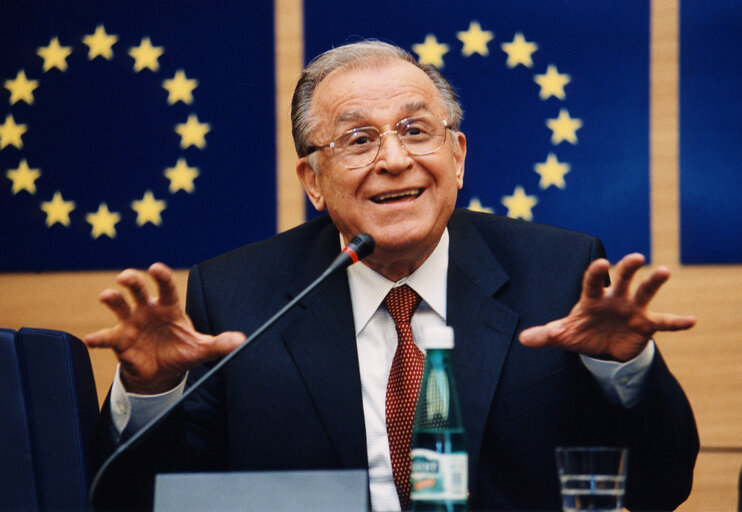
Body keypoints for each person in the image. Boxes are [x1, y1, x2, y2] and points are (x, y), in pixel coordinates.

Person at [85, 40, 699, 511]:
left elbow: (660, 486)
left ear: (457, 157)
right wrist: (149, 391)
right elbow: (149, 501)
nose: (395, 160)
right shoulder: (239, 296)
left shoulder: (558, 273)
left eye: (414, 130)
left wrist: (625, 367)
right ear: (313, 183)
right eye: (358, 139)